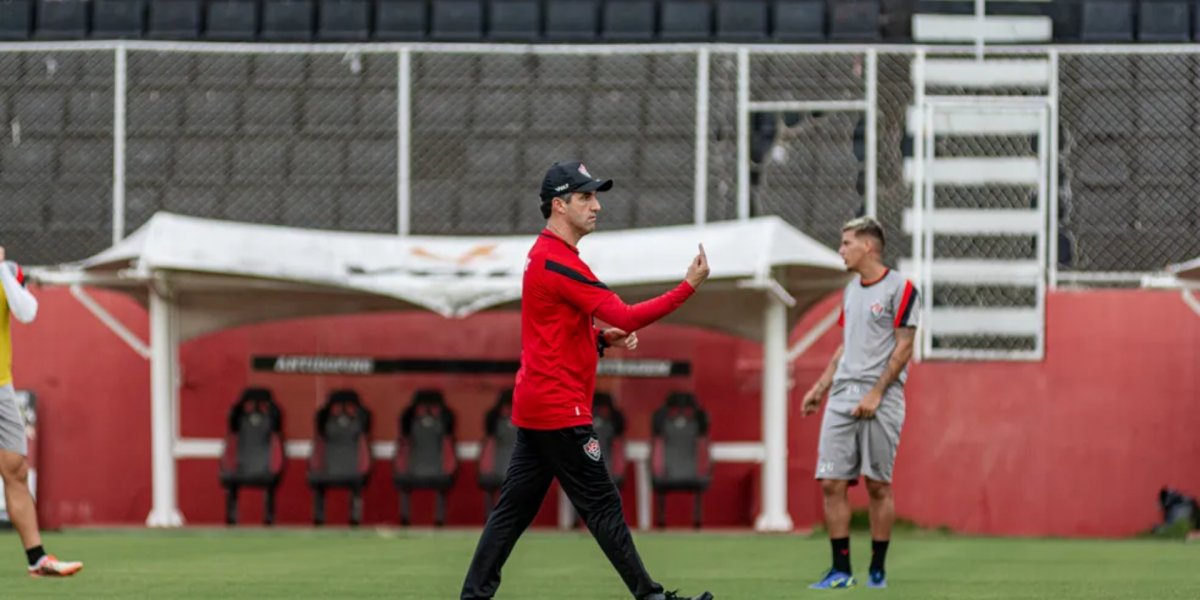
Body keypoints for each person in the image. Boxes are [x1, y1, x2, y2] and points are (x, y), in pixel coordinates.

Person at [460, 162, 713, 600]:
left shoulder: (547, 256)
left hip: (538, 405)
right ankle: (650, 596)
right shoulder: (557, 262)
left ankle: (473, 596)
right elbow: (628, 315)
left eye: (595, 196)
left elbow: (551, 333)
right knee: (602, 505)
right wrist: (688, 286)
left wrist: (598, 339)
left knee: (512, 513)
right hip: (560, 410)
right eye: (585, 197)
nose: (597, 205)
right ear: (559, 206)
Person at [800, 217, 918, 590]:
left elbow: (904, 345)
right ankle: (840, 570)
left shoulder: (902, 287)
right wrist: (820, 387)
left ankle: (878, 569)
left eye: (846, 242)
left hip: (881, 398)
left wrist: (877, 392)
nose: (841, 250)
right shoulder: (851, 291)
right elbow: (844, 345)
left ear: (868, 246)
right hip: (842, 396)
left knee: (877, 485)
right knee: (831, 482)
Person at [0, 246, 83, 577]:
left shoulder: (8, 273)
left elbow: (27, 312)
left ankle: (37, 559)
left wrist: (2, 271)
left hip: (1, 385)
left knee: (16, 468)